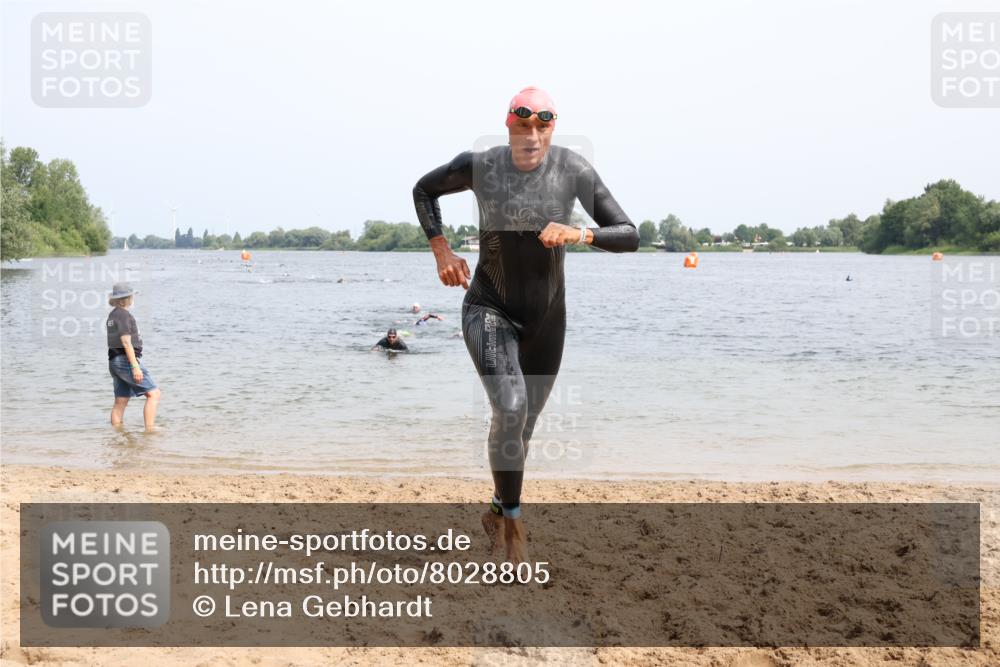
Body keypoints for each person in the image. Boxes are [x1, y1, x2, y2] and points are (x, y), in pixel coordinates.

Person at [412, 86, 638, 563]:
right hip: (488, 308)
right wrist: (441, 249)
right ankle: (514, 529)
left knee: (524, 428)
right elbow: (424, 189)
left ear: (552, 128)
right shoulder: (481, 165)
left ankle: (497, 508)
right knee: (511, 407)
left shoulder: (573, 170)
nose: (531, 135)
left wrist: (580, 233)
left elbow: (629, 235)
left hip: (547, 320)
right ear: (508, 124)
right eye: (523, 125)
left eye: (542, 126)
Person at [106, 283, 161, 431]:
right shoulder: (124, 315)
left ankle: (117, 434)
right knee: (154, 394)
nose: (132, 298)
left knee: (121, 400)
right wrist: (135, 366)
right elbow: (125, 341)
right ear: (126, 298)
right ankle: (150, 430)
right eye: (131, 296)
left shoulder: (112, 315)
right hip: (125, 360)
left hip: (114, 361)